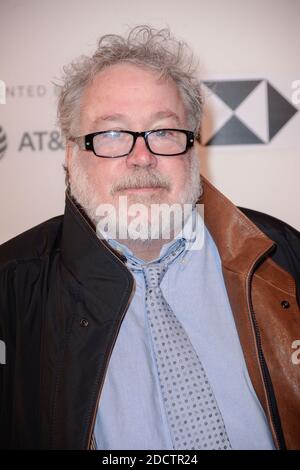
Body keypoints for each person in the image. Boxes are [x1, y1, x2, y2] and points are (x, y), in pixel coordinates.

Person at [0, 25, 299, 451]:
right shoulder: (12, 289)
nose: (142, 157)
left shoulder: (281, 256)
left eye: (163, 131)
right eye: (112, 133)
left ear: (193, 149)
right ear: (70, 155)